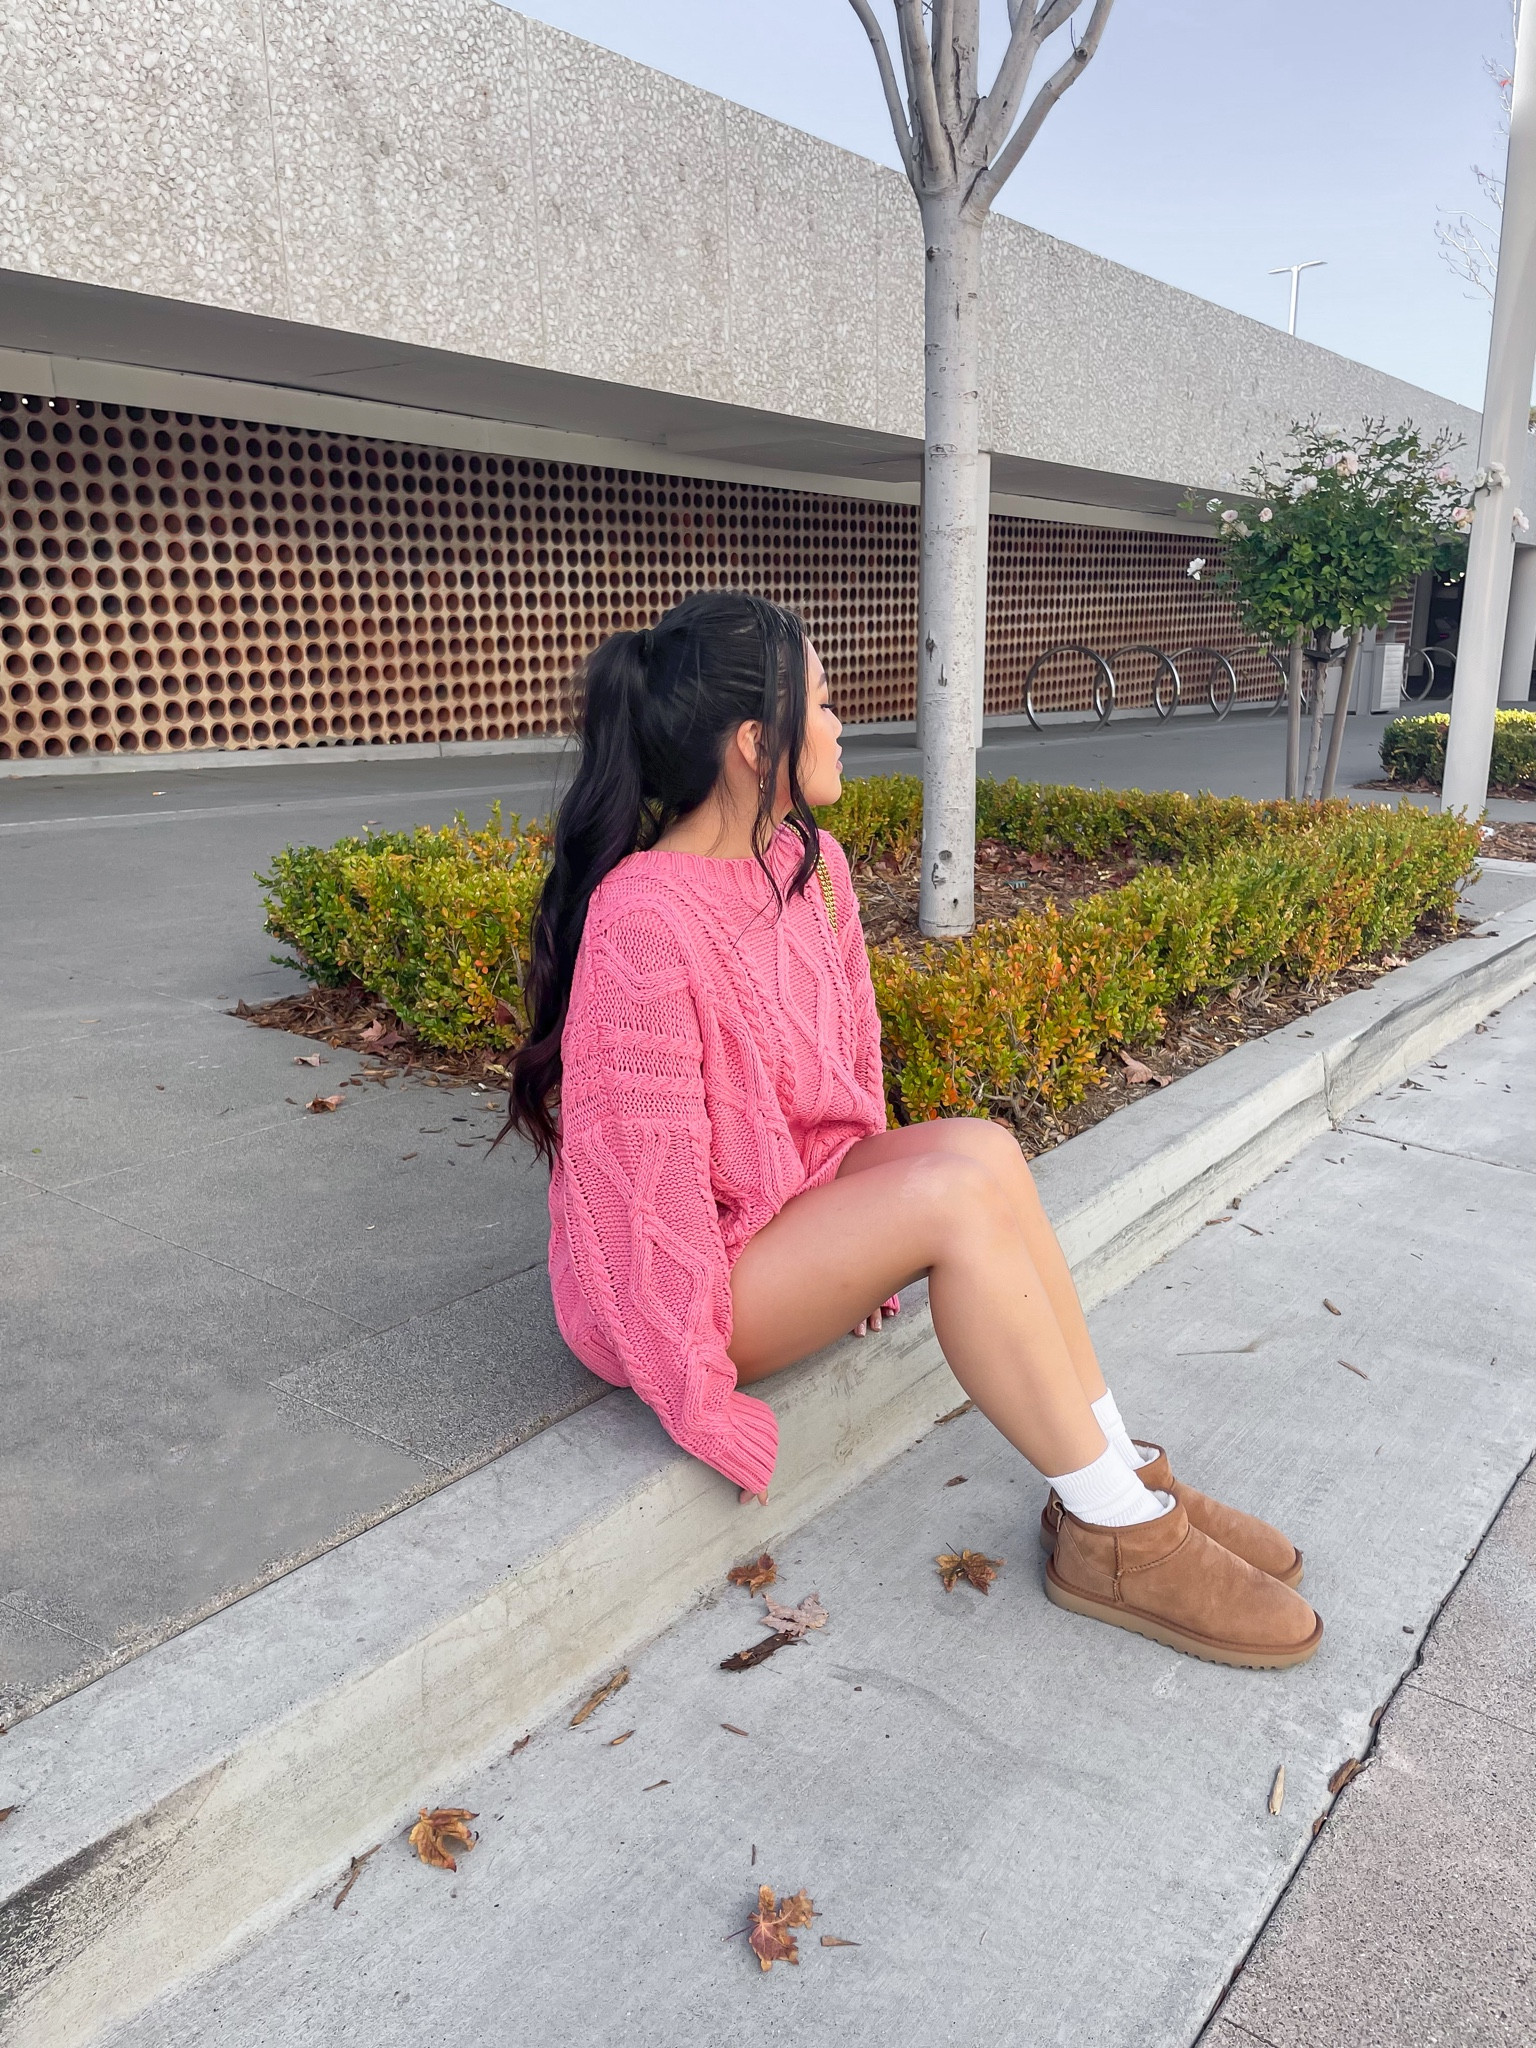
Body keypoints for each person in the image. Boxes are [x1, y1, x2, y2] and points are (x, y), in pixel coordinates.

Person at [506, 591, 1321, 1671]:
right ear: (758, 745)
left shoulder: (813, 863)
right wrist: (694, 1375)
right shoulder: (643, 915)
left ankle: (1124, 1467)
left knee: (981, 1148)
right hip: (672, 1286)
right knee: (946, 1199)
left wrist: (855, 1243)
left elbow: (848, 1087)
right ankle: (1116, 1535)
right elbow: (633, 1190)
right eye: (828, 705)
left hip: (784, 1204)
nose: (844, 726)